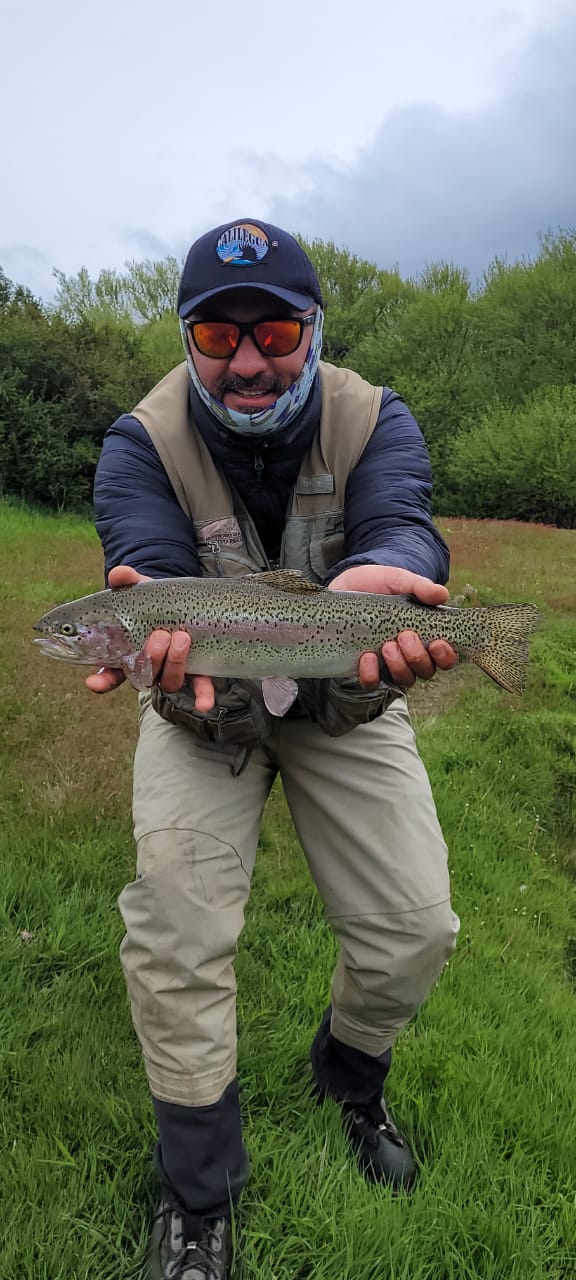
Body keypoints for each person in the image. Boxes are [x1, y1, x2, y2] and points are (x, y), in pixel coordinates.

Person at [90, 219, 460, 1280]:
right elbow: (145, 559)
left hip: (343, 695)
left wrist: (393, 573)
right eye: (218, 335)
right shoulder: (139, 441)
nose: (248, 360)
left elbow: (405, 522)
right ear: (188, 339)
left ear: (314, 328)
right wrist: (149, 618)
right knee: (175, 929)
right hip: (203, 710)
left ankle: (348, 1077)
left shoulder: (375, 416)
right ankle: (198, 1198)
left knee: (415, 929)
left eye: (276, 333)